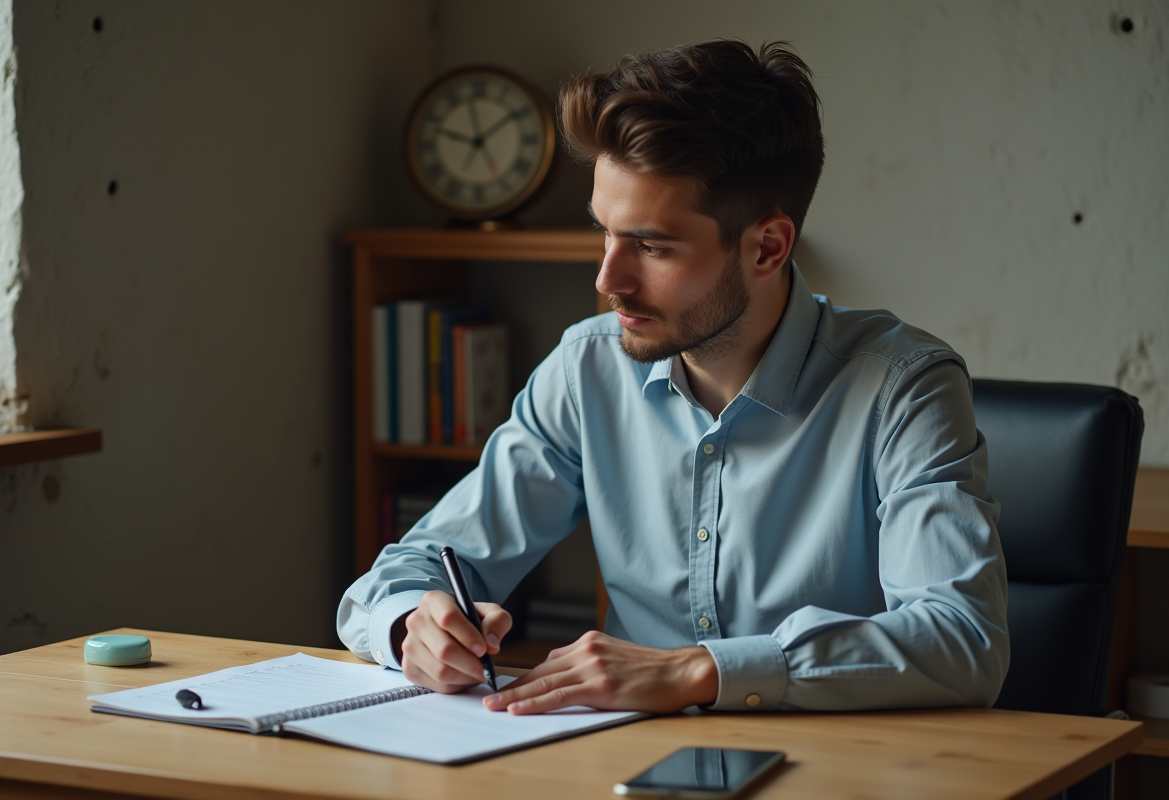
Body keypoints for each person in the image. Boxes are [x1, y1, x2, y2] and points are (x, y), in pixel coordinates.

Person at [337, 40, 1009, 715]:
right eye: (605, 233)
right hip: (619, 764)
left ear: (767, 247)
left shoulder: (905, 389)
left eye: (652, 247)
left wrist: (699, 672)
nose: (608, 281)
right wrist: (410, 627)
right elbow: (405, 573)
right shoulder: (587, 369)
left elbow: (963, 639)